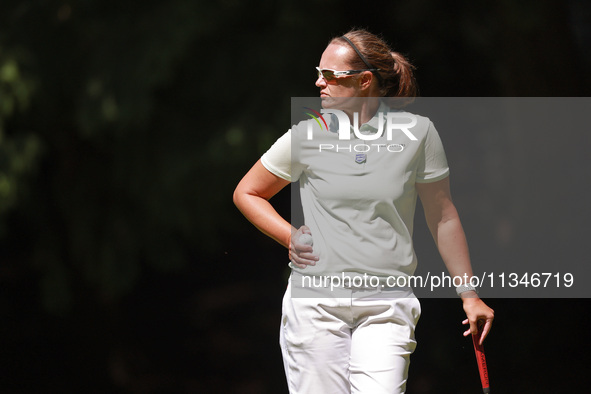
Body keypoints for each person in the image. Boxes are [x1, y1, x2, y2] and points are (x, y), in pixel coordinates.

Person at [233, 29, 494, 394]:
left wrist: (469, 294)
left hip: (387, 305)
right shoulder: (307, 135)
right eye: (318, 72)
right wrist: (289, 236)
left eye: (330, 75)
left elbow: (443, 217)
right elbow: (248, 192)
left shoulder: (418, 135)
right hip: (315, 305)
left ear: (364, 80)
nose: (318, 82)